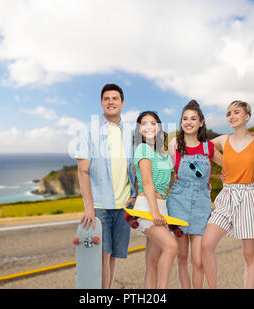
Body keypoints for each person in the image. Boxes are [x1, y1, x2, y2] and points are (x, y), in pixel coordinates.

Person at [74, 83, 137, 289]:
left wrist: (135, 196)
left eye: (115, 98)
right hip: (100, 206)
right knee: (102, 257)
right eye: (107, 99)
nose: (111, 102)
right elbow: (83, 171)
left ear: (122, 103)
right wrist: (89, 206)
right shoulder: (88, 131)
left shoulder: (130, 133)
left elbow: (135, 168)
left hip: (124, 206)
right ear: (102, 103)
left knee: (112, 258)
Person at [201, 100, 254, 289]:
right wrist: (223, 164)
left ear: (247, 117)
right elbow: (200, 148)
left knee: (249, 255)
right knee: (206, 245)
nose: (232, 116)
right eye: (228, 114)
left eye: (236, 112)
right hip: (227, 196)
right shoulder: (223, 140)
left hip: (249, 196)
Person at [167, 100, 222, 289]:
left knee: (198, 261)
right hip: (177, 205)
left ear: (201, 122)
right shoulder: (175, 144)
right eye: (184, 118)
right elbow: (166, 173)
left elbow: (231, 167)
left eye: (193, 118)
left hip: (201, 206)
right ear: (181, 122)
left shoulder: (209, 148)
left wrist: (248, 139)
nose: (188, 122)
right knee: (182, 258)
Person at [132, 111, 177, 289]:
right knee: (171, 246)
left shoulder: (163, 154)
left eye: (153, 123)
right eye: (144, 124)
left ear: (158, 127)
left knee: (152, 261)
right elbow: (147, 182)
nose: (149, 126)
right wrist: (155, 212)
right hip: (148, 207)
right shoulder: (141, 149)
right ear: (139, 129)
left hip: (161, 206)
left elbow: (172, 180)